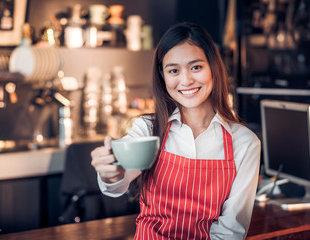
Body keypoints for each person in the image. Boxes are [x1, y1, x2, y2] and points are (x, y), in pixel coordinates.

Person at [91, 22, 261, 239]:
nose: (186, 80)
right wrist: (111, 173)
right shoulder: (148, 128)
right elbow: (118, 185)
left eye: (196, 67)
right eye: (173, 70)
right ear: (163, 76)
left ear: (213, 68)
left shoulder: (245, 143)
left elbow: (230, 231)